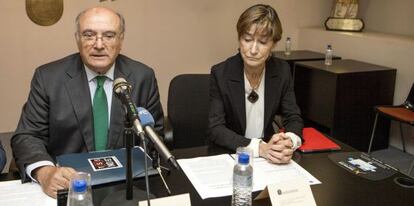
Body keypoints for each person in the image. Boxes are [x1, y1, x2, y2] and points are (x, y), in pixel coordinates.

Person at [11, 7, 164, 198]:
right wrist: (45, 172)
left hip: (126, 187)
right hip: (69, 187)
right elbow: (27, 136)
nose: (99, 45)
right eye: (89, 35)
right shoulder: (48, 78)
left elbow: (154, 137)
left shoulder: (143, 76)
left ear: (121, 40)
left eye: (109, 36)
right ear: (77, 38)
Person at [208, 4, 303, 164]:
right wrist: (258, 148)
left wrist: (289, 141)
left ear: (274, 44)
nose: (253, 49)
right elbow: (216, 129)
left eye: (263, 42)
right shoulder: (221, 73)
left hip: (268, 157)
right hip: (230, 155)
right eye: (247, 39)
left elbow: (293, 116)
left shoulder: (282, 71)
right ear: (239, 39)